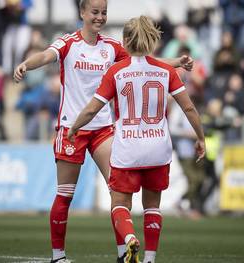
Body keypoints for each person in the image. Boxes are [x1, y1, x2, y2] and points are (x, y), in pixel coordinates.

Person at [13, 1, 193, 262]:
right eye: (95, 12)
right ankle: (58, 256)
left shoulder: (111, 47)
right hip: (71, 128)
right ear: (83, 13)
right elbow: (45, 56)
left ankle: (124, 253)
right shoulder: (68, 43)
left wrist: (176, 62)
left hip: (102, 130)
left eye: (104, 13)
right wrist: (26, 65)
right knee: (65, 194)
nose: (100, 17)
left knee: (118, 192)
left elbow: (144, 60)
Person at [67, 16, 205, 263]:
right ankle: (150, 259)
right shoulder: (166, 70)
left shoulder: (116, 71)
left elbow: (92, 109)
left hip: (127, 149)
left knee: (120, 204)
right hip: (158, 148)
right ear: (152, 39)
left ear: (126, 41)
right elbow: (190, 109)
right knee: (152, 208)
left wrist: (74, 127)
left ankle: (130, 238)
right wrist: (201, 138)